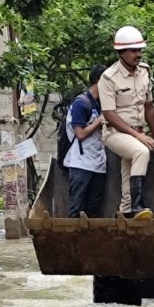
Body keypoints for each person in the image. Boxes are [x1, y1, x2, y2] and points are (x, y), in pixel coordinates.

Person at [100, 26, 154, 220]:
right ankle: (137, 205)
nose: (138, 54)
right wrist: (138, 136)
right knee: (140, 152)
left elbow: (149, 107)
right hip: (115, 133)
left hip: (138, 131)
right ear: (121, 52)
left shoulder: (145, 71)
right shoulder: (108, 78)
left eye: (140, 50)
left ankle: (127, 211)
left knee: (129, 169)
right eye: (133, 50)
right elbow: (109, 114)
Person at [62, 65, 107, 218]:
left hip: (98, 164)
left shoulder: (102, 104)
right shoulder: (81, 103)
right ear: (99, 81)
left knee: (93, 210)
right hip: (81, 164)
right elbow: (80, 134)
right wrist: (98, 122)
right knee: (77, 209)